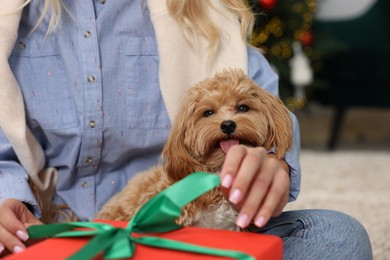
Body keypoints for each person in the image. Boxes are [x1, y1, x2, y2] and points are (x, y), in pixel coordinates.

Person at [0, 0, 372, 259]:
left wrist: (274, 161)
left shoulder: (201, 11)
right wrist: (6, 198)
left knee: (334, 236)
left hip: (192, 237)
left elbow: (264, 103)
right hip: (51, 237)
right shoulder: (11, 19)